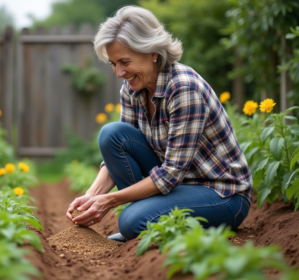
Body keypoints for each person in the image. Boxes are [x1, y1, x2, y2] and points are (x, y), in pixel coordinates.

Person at [66, 6, 252, 242]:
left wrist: (109, 201)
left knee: (129, 221)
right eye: (113, 64)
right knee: (111, 134)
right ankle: (145, 215)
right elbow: (122, 151)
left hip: (221, 194)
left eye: (124, 61)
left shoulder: (184, 89)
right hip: (177, 186)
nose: (119, 72)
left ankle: (141, 218)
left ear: (153, 52)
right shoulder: (132, 88)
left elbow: (171, 173)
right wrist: (91, 196)